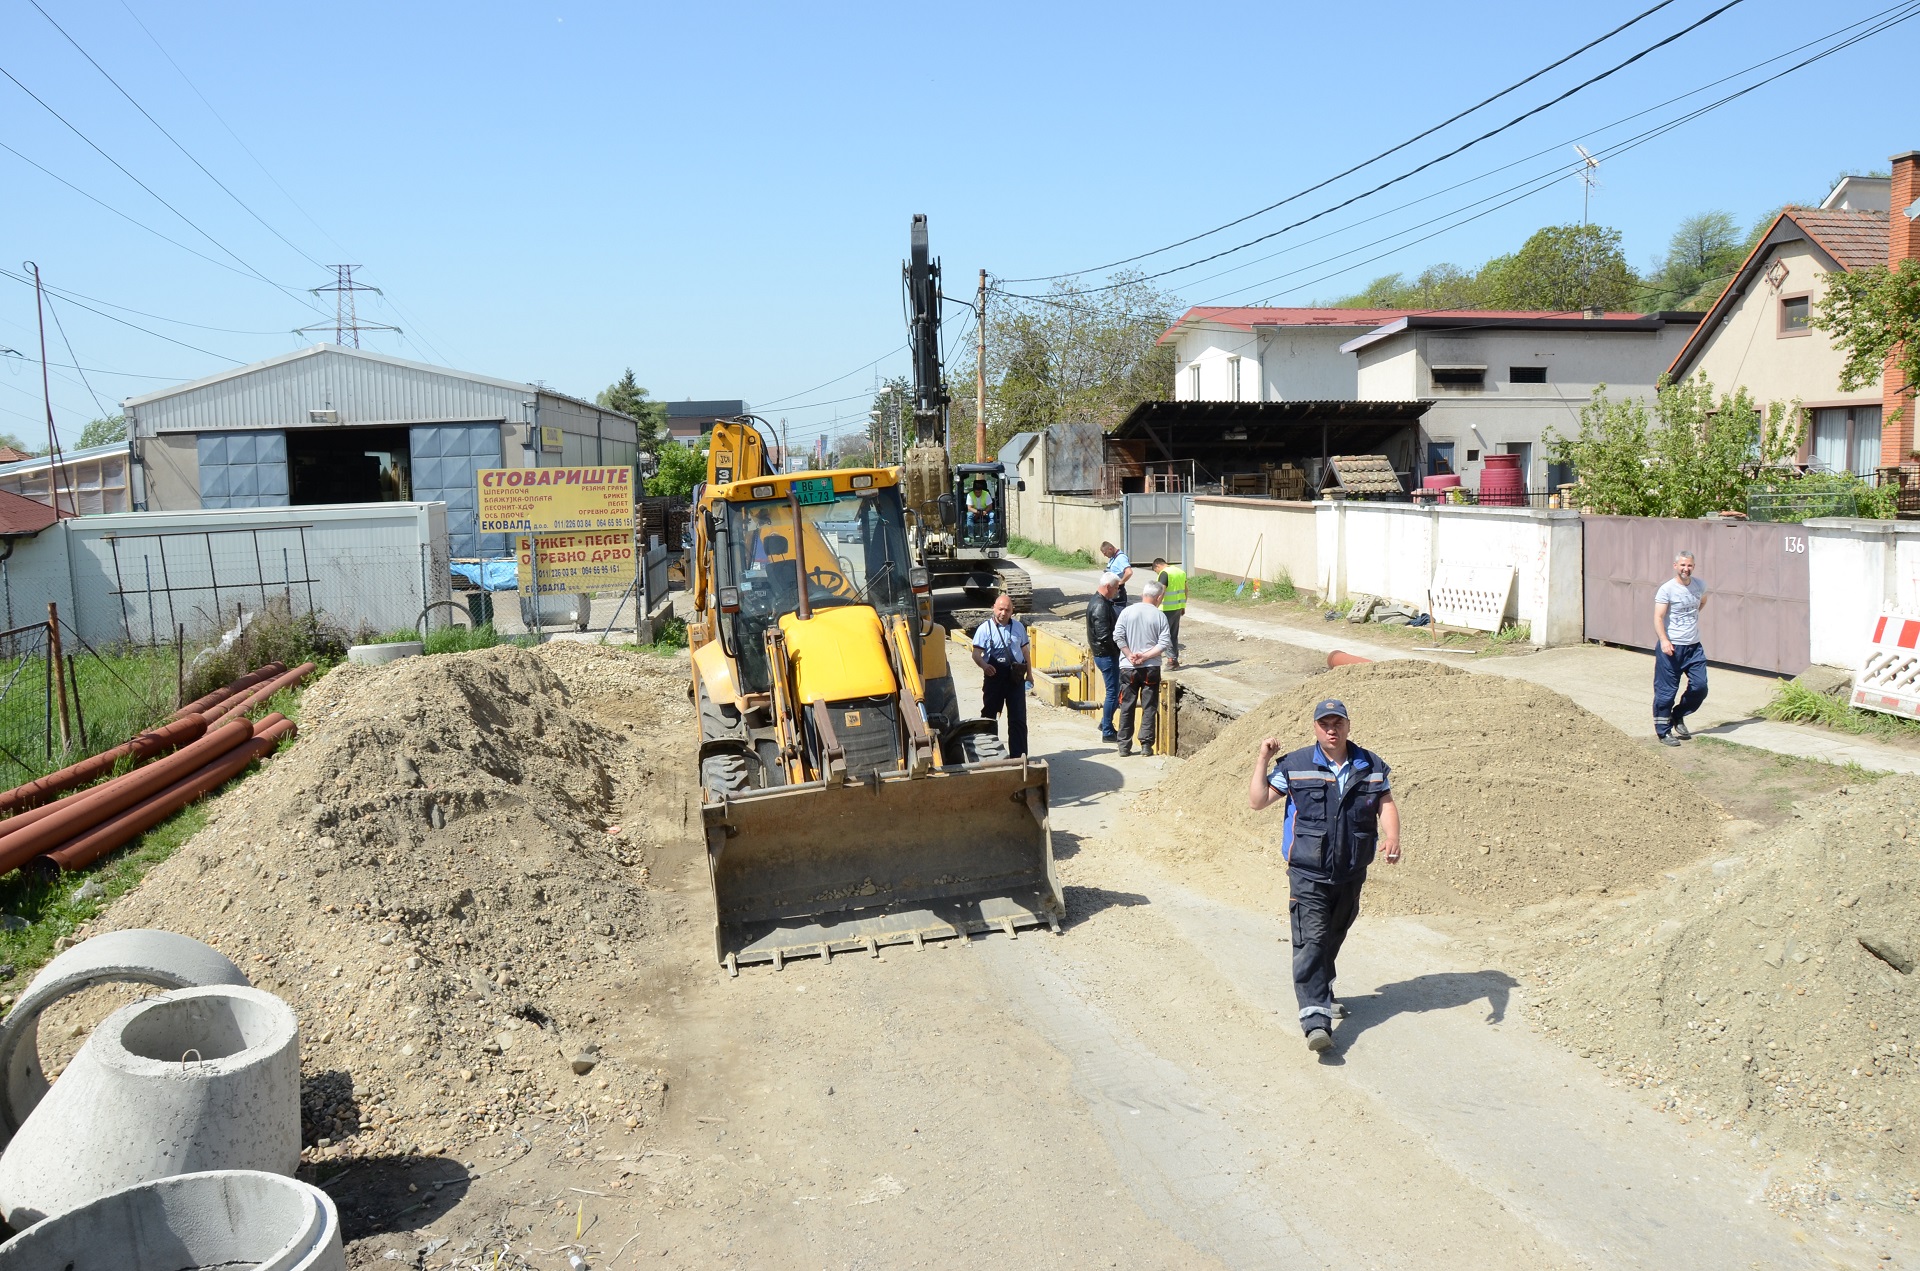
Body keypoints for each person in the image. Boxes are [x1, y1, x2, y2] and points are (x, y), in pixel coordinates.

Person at [1248, 700, 1401, 1054]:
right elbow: (1257, 801)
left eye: (1338, 722)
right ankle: (1315, 1020)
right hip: (1307, 872)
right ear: (1315, 728)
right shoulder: (1296, 765)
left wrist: (1392, 837)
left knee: (1334, 934)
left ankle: (1323, 988)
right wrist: (1263, 759)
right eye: (1324, 723)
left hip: (1350, 870)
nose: (1331, 729)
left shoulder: (1371, 765)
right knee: (1312, 939)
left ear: (1348, 725)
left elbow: (1386, 803)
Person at [1653, 551, 1708, 747]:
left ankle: (1678, 715)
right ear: (1675, 566)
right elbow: (1659, 617)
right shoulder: (1667, 589)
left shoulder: (1699, 585)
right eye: (1683, 565)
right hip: (1672, 648)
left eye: (1690, 566)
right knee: (1666, 691)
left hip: (1694, 647)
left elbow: (1702, 602)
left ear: (1694, 566)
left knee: (1700, 687)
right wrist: (1664, 640)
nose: (1686, 569)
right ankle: (1663, 732)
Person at [970, 593, 1032, 757]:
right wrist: (984, 666)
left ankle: (1019, 758)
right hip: (994, 680)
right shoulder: (985, 629)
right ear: (993, 608)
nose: (1003, 613)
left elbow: (1025, 653)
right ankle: (990, 756)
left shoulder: (1018, 628)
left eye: (1007, 610)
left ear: (1012, 611)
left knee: (1018, 719)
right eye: (1000, 609)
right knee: (989, 718)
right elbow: (976, 653)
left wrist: (1030, 675)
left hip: (1015, 680)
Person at [1113, 580, 1170, 757]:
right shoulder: (1160, 616)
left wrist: (1129, 654)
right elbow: (1164, 643)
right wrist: (1145, 656)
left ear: (1142, 595)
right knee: (1149, 706)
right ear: (1159, 597)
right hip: (1150, 668)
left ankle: (1124, 747)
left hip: (1128, 668)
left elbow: (1118, 636)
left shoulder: (1127, 612)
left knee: (1126, 706)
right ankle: (1146, 746)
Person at [1085, 575, 1122, 742]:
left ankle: (1105, 723)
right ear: (1108, 586)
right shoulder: (1100, 605)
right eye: (1116, 588)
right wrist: (1119, 650)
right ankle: (1107, 730)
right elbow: (1103, 636)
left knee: (1116, 690)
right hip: (1105, 655)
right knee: (1113, 692)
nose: (1117, 591)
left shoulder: (1099, 602)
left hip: (1103, 653)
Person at [1152, 556, 1187, 670]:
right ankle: (1174, 659)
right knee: (1173, 634)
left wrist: (1155, 606)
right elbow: (1186, 589)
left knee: (1165, 634)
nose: (1156, 572)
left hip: (1166, 608)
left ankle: (1171, 661)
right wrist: (1183, 605)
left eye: (1155, 570)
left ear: (1157, 565)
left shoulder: (1164, 573)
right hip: (1177, 607)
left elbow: (1162, 590)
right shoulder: (1180, 572)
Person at [1099, 541, 1134, 607]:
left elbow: (1129, 572)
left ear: (1110, 549)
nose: (1104, 555)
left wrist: (1120, 583)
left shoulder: (1121, 558)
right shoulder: (1113, 557)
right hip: (1111, 591)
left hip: (1117, 593)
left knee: (1117, 612)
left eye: (1105, 553)